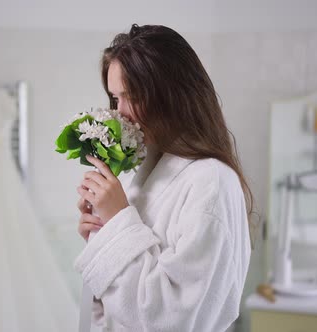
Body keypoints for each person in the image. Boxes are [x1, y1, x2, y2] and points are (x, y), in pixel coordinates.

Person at [73, 24, 253, 331]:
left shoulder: (212, 182)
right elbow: (118, 309)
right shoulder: (142, 174)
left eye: (132, 97)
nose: (121, 114)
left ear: (173, 95)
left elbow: (176, 316)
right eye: (116, 99)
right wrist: (101, 235)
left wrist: (118, 222)